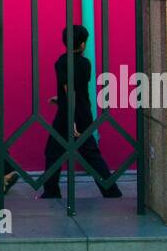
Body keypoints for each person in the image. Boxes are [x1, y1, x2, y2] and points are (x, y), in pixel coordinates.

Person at [41, 24, 122, 199]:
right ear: (83, 45)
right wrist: (61, 99)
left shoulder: (62, 62)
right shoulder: (86, 64)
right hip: (83, 112)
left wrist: (71, 119)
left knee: (53, 152)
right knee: (91, 154)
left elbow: (69, 90)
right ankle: (111, 190)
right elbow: (76, 90)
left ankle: (51, 191)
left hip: (68, 115)